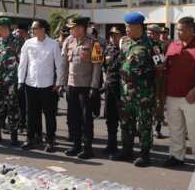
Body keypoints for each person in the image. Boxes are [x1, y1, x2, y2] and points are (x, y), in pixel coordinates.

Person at [162, 17, 195, 167]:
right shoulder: (173, 45)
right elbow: (166, 67)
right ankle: (176, 156)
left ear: (192, 30)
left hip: (193, 97)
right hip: (172, 95)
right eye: (177, 29)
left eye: (182, 30)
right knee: (175, 128)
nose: (179, 32)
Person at [117, 11, 163, 167]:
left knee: (144, 124)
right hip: (125, 92)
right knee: (126, 122)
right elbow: (122, 61)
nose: (127, 29)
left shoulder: (152, 45)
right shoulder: (124, 42)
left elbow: (160, 68)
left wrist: (156, 93)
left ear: (138, 27)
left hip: (144, 93)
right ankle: (127, 150)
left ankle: (144, 154)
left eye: (129, 27)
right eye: (126, 26)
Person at [59, 17, 103, 159]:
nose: (72, 30)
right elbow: (64, 64)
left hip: (86, 87)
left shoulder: (93, 43)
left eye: (74, 27)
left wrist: (94, 87)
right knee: (73, 118)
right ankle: (76, 145)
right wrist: (62, 83)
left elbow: (97, 66)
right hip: (71, 85)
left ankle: (87, 147)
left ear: (82, 28)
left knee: (86, 119)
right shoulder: (68, 41)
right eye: (71, 28)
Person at [18, 19, 62, 152]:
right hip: (30, 83)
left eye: (35, 28)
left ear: (42, 29)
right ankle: (31, 139)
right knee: (31, 114)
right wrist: (21, 81)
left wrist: (58, 82)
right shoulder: (28, 43)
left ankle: (50, 141)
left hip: (48, 85)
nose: (32, 31)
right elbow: (23, 63)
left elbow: (59, 65)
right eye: (32, 28)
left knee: (49, 115)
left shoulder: (53, 44)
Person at [0, 17, 24, 146]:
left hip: (12, 81)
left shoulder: (18, 42)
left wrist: (21, 80)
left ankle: (14, 136)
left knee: (12, 108)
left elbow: (22, 61)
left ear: (8, 28)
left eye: (2, 28)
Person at [103, 27, 123, 158]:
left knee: (124, 119)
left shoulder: (125, 50)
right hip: (109, 87)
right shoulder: (108, 50)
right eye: (112, 36)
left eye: (116, 35)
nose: (114, 38)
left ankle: (127, 147)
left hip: (122, 88)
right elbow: (104, 67)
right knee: (110, 118)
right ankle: (112, 144)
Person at [147, 24, 167, 139]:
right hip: (145, 78)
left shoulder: (158, 46)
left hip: (156, 78)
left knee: (158, 103)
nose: (149, 35)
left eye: (152, 33)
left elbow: (160, 64)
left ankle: (157, 127)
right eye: (148, 32)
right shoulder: (143, 44)